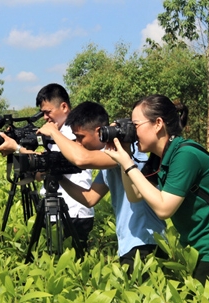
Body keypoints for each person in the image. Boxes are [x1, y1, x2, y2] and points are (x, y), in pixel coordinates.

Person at [105, 94, 209, 285]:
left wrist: (129, 165)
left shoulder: (184, 155)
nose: (132, 131)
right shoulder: (160, 157)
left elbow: (164, 209)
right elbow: (134, 195)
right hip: (198, 250)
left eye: (135, 125)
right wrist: (125, 158)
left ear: (158, 123)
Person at [36, 101, 167, 276]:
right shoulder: (111, 157)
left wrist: (54, 132)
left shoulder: (126, 150)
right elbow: (90, 198)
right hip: (131, 245)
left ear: (99, 132)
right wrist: (57, 177)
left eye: (80, 137)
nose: (79, 143)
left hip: (146, 243)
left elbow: (81, 159)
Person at [0, 83, 94, 251]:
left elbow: (54, 162)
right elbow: (42, 170)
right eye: (42, 113)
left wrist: (17, 149)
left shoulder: (74, 132)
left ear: (64, 107)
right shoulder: (57, 132)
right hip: (55, 208)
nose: (45, 118)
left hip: (72, 212)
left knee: (70, 267)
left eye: (48, 112)